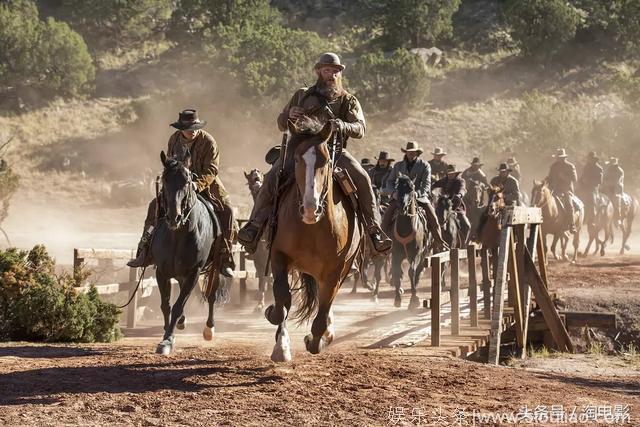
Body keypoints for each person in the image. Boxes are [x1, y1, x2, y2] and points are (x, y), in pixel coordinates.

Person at [237, 52, 392, 253]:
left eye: (336, 71)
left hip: (333, 153)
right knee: (272, 177)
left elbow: (361, 129)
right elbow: (281, 122)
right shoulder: (301, 95)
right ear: (318, 71)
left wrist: (343, 125)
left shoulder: (348, 100)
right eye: (328, 70)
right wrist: (289, 115)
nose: (332, 75)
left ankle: (374, 231)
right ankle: (255, 226)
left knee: (362, 179)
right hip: (299, 152)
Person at [127, 109, 235, 277]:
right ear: (180, 129)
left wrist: (195, 184)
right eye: (188, 128)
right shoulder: (174, 140)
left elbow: (212, 170)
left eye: (194, 127)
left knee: (227, 209)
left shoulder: (209, 142)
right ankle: (145, 249)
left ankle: (225, 255)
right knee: (154, 206)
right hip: (178, 183)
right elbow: (170, 164)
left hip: (206, 183)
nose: (192, 131)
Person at [381, 141, 448, 251]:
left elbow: (426, 184)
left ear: (417, 153)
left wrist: (417, 193)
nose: (411, 154)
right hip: (400, 196)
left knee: (433, 217)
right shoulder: (398, 166)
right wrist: (393, 193)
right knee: (387, 214)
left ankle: (439, 241)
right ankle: (382, 241)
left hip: (419, 197)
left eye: (413, 152)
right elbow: (390, 182)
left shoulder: (424, 165)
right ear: (406, 153)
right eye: (409, 152)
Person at [432, 164, 471, 243]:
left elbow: (462, 189)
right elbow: (434, 186)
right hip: (443, 206)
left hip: (456, 206)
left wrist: (459, 195)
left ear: (455, 173)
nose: (450, 175)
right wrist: (431, 191)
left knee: (467, 225)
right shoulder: (443, 180)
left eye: (452, 173)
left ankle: (463, 245)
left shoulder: (460, 181)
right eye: (449, 173)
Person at [546, 148, 578, 232]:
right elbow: (549, 178)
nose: (558, 159)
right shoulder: (553, 166)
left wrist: (564, 177)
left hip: (566, 190)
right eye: (558, 157)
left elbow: (574, 179)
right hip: (554, 189)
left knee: (569, 204)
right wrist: (544, 182)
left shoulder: (570, 166)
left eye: (560, 157)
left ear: (564, 158)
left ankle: (572, 224)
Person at [578, 151, 603, 225]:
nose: (588, 160)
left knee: (591, 201)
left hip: (593, 189)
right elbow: (582, 177)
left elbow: (599, 181)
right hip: (584, 188)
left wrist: (588, 182)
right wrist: (580, 181)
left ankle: (592, 220)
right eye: (588, 158)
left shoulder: (599, 168)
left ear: (593, 159)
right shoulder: (586, 167)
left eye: (589, 158)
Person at [602, 157, 625, 226]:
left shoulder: (620, 171)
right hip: (607, 188)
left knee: (616, 202)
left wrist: (608, 183)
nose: (611, 164)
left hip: (616, 189)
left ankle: (618, 218)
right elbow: (604, 177)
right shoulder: (608, 170)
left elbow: (617, 181)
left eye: (612, 163)